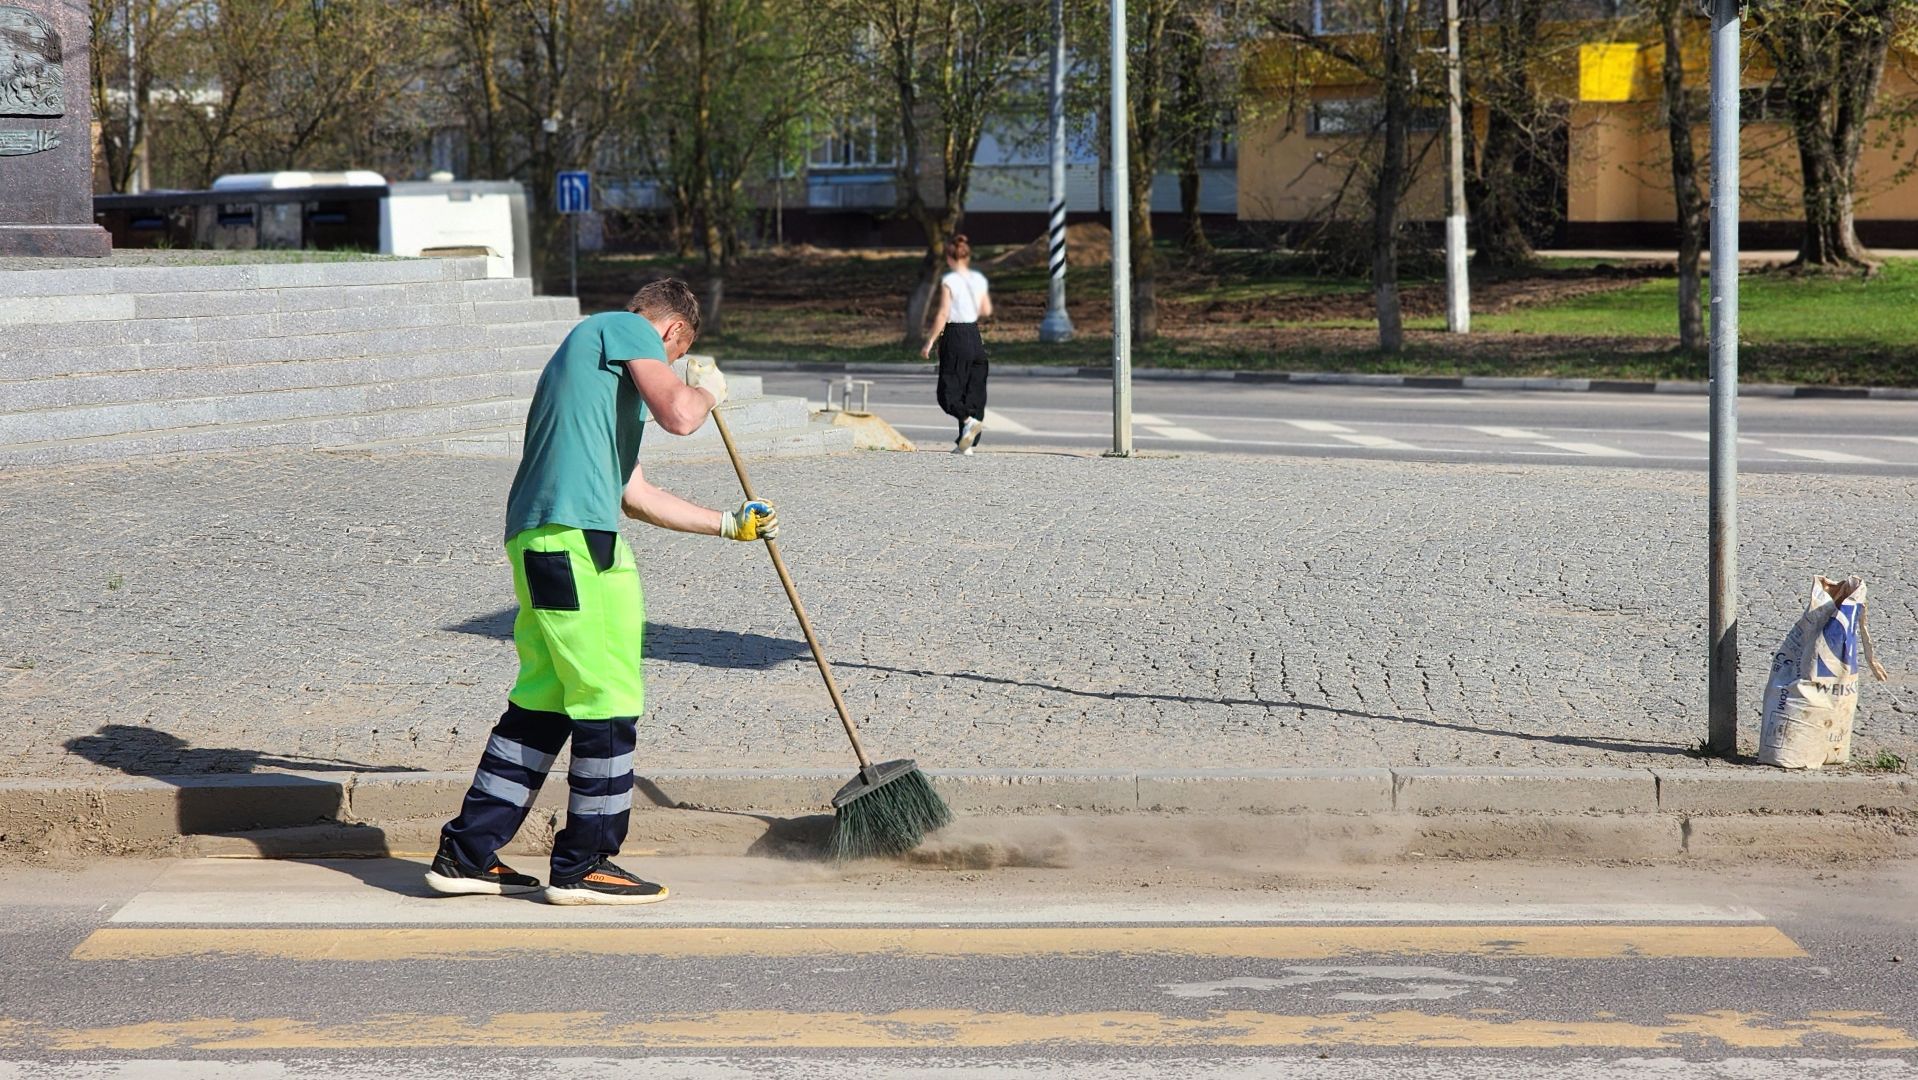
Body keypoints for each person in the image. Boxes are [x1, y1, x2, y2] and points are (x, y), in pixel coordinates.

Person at [425, 278, 779, 906]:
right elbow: (680, 413)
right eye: (668, 359)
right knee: (607, 696)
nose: (660, 371)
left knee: (546, 701)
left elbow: (633, 493)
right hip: (569, 542)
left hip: (571, 538)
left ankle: (467, 853)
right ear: (671, 333)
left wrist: (730, 524)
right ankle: (585, 863)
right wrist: (706, 391)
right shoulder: (624, 327)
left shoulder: (600, 382)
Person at [920, 234, 993, 455]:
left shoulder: (950, 281)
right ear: (967, 256)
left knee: (949, 393)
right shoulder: (979, 279)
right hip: (974, 335)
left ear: (950, 259)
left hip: (956, 336)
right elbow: (986, 310)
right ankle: (966, 445)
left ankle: (967, 421)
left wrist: (930, 341)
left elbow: (943, 313)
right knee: (973, 392)